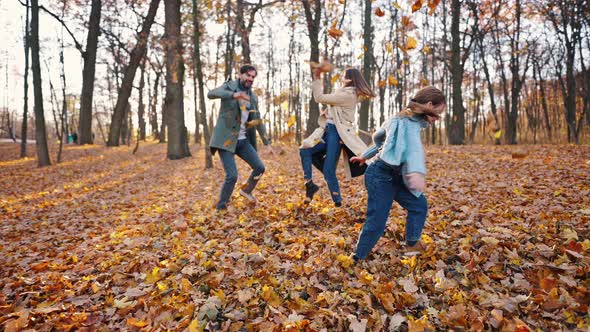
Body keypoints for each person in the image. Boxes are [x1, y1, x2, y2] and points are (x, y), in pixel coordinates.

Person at [350, 86, 446, 260]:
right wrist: (416, 173)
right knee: (377, 222)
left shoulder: (403, 119)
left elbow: (382, 141)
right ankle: (357, 257)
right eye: (437, 114)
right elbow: (414, 151)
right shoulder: (406, 124)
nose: (436, 120)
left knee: (418, 204)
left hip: (396, 176)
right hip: (380, 176)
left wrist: (364, 156)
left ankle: (412, 243)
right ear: (430, 105)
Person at [299, 67, 375, 207]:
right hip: (327, 131)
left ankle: (337, 201)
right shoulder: (342, 93)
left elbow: (319, 97)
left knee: (328, 170)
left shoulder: (348, 95)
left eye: (344, 76)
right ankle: (309, 184)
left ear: (350, 79)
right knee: (305, 149)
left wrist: (316, 78)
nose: (342, 78)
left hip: (336, 133)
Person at [208, 64, 273, 210]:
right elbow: (211, 94)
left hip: (243, 141)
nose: (250, 79)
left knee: (259, 167)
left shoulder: (253, 96)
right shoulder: (229, 86)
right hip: (226, 140)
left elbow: (257, 119)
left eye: (253, 77)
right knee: (232, 176)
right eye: (248, 75)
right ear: (240, 74)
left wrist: (267, 143)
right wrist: (233, 95)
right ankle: (221, 207)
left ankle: (246, 190)